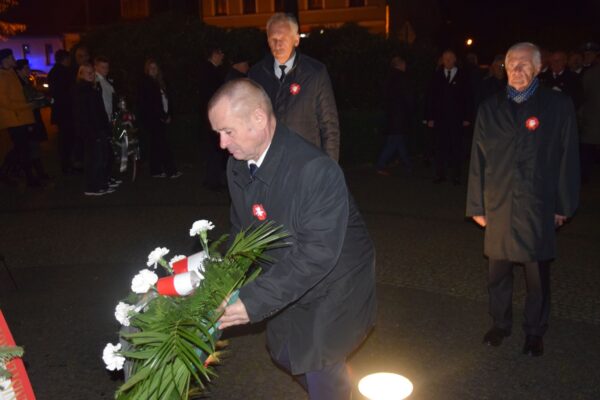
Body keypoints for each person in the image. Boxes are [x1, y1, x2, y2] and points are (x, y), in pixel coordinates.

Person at [212, 79, 376, 400]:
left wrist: (253, 301)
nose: (221, 143)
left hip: (335, 284)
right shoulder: (237, 165)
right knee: (284, 352)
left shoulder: (316, 171)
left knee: (318, 364)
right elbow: (242, 231)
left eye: (227, 131)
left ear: (259, 118)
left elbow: (316, 254)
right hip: (288, 275)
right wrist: (219, 280)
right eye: (217, 132)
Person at [466, 42, 580, 356]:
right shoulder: (489, 107)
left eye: (524, 64)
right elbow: (478, 157)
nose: (516, 69)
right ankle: (500, 323)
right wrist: (477, 204)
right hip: (499, 203)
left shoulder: (557, 106)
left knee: (536, 276)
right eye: (511, 63)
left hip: (538, 204)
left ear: (539, 67)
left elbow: (568, 157)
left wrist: (563, 205)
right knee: (498, 272)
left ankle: (534, 331)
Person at [248, 12, 340, 161]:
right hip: (269, 164)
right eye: (273, 39)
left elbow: (329, 126)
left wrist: (329, 170)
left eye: (282, 39)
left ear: (296, 40)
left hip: (305, 163)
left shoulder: (315, 73)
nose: (277, 45)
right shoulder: (256, 74)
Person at [425, 49, 472, 184]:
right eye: (445, 59)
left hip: (457, 118)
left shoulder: (463, 76)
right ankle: (440, 174)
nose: (448, 61)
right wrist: (430, 117)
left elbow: (468, 97)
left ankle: (456, 175)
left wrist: (467, 117)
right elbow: (431, 97)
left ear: (455, 59)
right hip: (440, 118)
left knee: (456, 147)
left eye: (450, 59)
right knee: (440, 147)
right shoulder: (437, 75)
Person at [0, 48, 40, 187]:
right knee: (23, 150)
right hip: (14, 119)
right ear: (5, 60)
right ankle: (30, 179)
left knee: (21, 149)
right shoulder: (2, 76)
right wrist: (27, 105)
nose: (14, 59)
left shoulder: (11, 74)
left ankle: (7, 173)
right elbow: (5, 102)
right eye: (11, 57)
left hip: (21, 117)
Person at [72, 64, 113, 196]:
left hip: (98, 127)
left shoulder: (92, 88)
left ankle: (101, 184)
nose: (90, 75)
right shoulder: (82, 90)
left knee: (100, 158)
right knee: (94, 159)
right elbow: (85, 114)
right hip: (91, 130)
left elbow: (99, 111)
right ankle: (92, 187)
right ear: (81, 74)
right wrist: (92, 130)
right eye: (87, 73)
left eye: (92, 72)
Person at [138, 59, 181, 179]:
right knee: (162, 144)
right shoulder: (147, 83)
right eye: (151, 68)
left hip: (161, 117)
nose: (153, 70)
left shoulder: (160, 82)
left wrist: (169, 114)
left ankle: (156, 170)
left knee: (157, 144)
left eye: (155, 68)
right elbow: (152, 104)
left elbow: (167, 100)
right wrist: (162, 116)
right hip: (154, 119)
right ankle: (170, 170)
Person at [375, 55, 414, 176]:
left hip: (392, 114)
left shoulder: (389, 78)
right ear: (400, 65)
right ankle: (382, 164)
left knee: (396, 140)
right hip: (399, 114)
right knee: (395, 141)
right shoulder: (402, 78)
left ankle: (407, 164)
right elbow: (408, 97)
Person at [15, 59, 50, 182]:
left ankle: (38, 173)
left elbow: (36, 97)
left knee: (32, 147)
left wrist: (42, 100)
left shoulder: (27, 82)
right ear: (18, 71)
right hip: (27, 120)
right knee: (30, 148)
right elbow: (27, 102)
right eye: (25, 68)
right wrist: (38, 101)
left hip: (33, 118)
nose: (28, 70)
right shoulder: (19, 85)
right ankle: (35, 174)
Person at [198, 46, 226, 190]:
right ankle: (213, 181)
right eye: (220, 52)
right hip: (213, 116)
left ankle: (211, 178)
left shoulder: (209, 71)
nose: (222, 56)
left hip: (211, 115)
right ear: (214, 54)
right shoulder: (209, 72)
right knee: (215, 148)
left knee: (213, 148)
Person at [94, 56, 122, 188]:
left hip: (109, 119)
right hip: (102, 121)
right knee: (104, 153)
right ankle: (103, 180)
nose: (105, 70)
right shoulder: (96, 82)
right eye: (102, 67)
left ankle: (108, 177)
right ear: (96, 67)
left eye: (107, 67)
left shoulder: (106, 81)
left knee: (109, 152)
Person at [48, 49, 75, 174]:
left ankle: (67, 164)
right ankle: (67, 165)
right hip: (66, 112)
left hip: (61, 111)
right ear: (65, 59)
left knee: (64, 139)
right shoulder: (64, 73)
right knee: (66, 139)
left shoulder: (53, 72)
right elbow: (66, 93)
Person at [580, 63, 600, 184]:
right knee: (587, 149)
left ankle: (584, 177)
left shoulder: (590, 73)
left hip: (591, 117)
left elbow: (584, 93)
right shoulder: (591, 73)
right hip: (592, 117)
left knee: (587, 149)